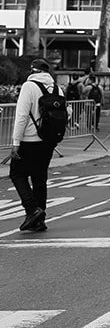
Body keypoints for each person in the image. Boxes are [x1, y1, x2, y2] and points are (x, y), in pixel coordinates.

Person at [7, 57, 63, 233]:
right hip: (47, 141)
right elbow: (65, 112)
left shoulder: (28, 86)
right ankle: (40, 220)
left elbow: (21, 116)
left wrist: (16, 142)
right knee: (40, 179)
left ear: (33, 71)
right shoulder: (57, 88)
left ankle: (32, 210)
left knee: (16, 174)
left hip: (29, 140)